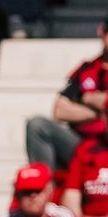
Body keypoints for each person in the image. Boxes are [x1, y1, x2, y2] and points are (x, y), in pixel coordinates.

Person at [25, 17, 108, 174]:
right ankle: (42, 187)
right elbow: (59, 110)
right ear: (102, 32)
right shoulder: (87, 69)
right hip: (82, 145)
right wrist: (100, 111)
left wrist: (88, 98)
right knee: (37, 126)